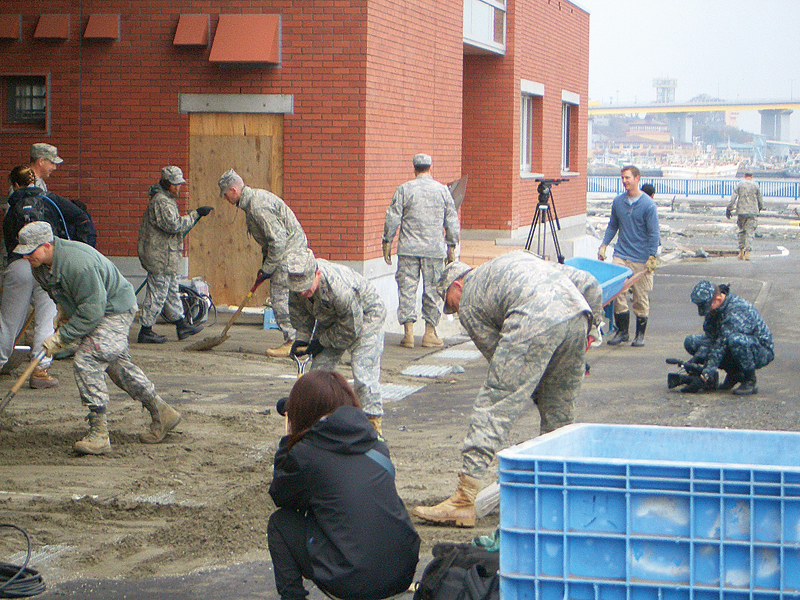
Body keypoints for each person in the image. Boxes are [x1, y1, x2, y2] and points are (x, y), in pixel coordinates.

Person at [413, 250, 603, 527]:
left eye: (449, 304)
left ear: (457, 285)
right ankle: (562, 498)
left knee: (494, 405)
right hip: (576, 315)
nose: (453, 311)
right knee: (560, 414)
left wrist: (525, 387)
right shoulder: (517, 259)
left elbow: (499, 363)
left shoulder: (469, 300)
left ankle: (464, 500)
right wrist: (592, 327)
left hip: (533, 319)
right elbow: (589, 283)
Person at [19, 221, 182, 455]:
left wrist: (61, 337)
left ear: (47, 245)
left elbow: (93, 311)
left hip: (115, 309)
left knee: (88, 359)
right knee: (118, 367)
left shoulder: (78, 264)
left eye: (30, 251)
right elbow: (62, 293)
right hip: (96, 308)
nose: (26, 257)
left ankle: (99, 434)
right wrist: (64, 313)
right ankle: (163, 412)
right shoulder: (40, 266)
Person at [267, 369, 420, 600]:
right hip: (401, 574)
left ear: (304, 411)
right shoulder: (377, 445)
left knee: (280, 523)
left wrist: (289, 440)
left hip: (353, 583)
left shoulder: (306, 454)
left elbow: (281, 494)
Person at [0, 165, 95, 388]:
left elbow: (8, 242)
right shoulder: (51, 200)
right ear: (34, 182)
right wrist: (81, 248)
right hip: (49, 263)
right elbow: (81, 217)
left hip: (19, 265)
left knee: (8, 320)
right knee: (47, 318)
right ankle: (40, 370)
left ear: (14, 185)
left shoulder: (11, 208)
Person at [285, 247, 387, 434]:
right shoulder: (297, 288)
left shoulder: (339, 289)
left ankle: (374, 428)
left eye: (306, 288)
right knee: (318, 375)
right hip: (331, 318)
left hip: (365, 316)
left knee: (364, 374)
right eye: (298, 290)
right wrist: (302, 340)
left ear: (317, 274)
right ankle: (317, 426)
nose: (302, 293)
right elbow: (301, 315)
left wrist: (322, 341)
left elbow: (351, 329)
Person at [218, 169, 308, 357]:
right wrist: (265, 265)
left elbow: (277, 241)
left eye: (225, 194)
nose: (225, 199)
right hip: (287, 251)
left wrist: (268, 268)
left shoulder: (257, 207)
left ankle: (293, 341)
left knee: (280, 298)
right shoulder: (252, 203)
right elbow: (269, 241)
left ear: (233, 190)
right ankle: (302, 341)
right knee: (292, 299)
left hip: (289, 253)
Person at [382, 153, 460, 348]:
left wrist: (387, 241)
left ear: (414, 168)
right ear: (430, 167)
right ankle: (430, 333)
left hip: (408, 248)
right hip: (434, 250)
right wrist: (452, 245)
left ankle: (408, 334)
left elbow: (392, 217)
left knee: (407, 289)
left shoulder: (404, 189)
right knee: (433, 290)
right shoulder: (442, 191)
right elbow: (451, 220)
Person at [137, 166, 213, 343]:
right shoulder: (161, 202)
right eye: (175, 184)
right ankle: (146, 330)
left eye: (179, 184)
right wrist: (196, 215)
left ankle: (182, 325)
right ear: (166, 184)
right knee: (157, 293)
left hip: (166, 256)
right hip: (160, 257)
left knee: (171, 291)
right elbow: (174, 225)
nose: (178, 187)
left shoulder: (166, 200)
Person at [598, 165, 660, 347]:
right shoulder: (618, 202)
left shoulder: (648, 205)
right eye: (623, 178)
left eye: (628, 178)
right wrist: (604, 245)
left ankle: (640, 335)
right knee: (618, 292)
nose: (625, 181)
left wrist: (652, 256)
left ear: (637, 178)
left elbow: (653, 233)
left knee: (640, 296)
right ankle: (622, 331)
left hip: (640, 257)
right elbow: (612, 225)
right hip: (621, 253)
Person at [683, 280, 773, 396]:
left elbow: (720, 345)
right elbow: (711, 338)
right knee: (691, 342)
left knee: (735, 341)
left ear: (719, 299)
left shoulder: (736, 310)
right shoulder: (715, 308)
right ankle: (734, 374)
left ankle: (749, 379)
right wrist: (697, 358)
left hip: (760, 350)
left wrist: (705, 375)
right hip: (729, 342)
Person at [726, 171, 763, 261]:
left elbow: (733, 198)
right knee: (749, 232)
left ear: (745, 176)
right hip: (752, 212)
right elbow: (760, 199)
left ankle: (741, 251)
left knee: (741, 231)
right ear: (752, 176)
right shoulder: (756, 185)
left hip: (741, 211)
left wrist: (729, 208)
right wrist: (759, 208)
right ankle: (747, 252)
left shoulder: (739, 184)